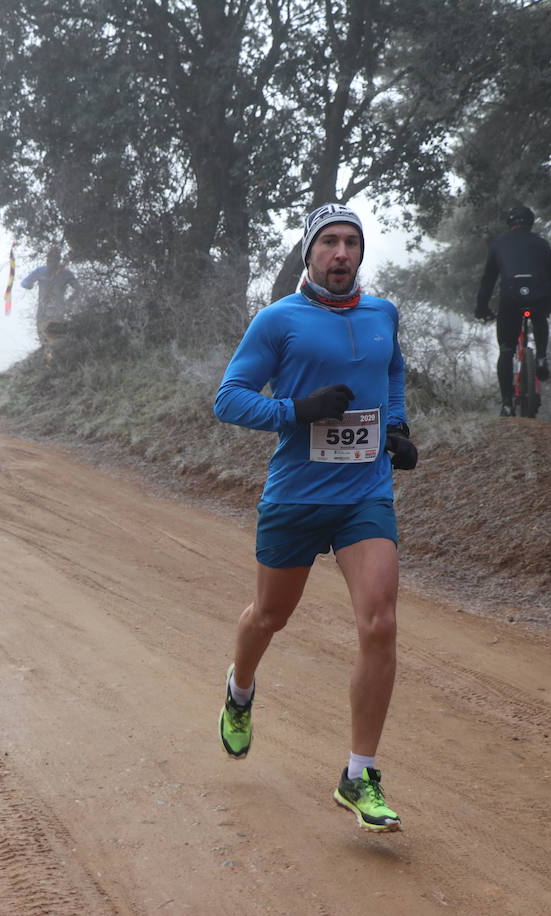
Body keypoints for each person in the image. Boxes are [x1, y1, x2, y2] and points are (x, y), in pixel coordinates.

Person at [213, 202, 418, 834]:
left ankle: (358, 775)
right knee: (270, 616)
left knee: (380, 623)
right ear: (309, 253)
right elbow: (229, 399)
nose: (341, 254)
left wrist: (399, 425)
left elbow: (392, 374)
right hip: (297, 494)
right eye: (329, 242)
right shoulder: (279, 320)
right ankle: (240, 687)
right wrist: (297, 411)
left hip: (364, 494)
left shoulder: (383, 314)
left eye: (351, 244)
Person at [475, 205, 551, 417]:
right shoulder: (542, 244)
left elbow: (488, 280)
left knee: (506, 349)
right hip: (538, 296)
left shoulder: (499, 245)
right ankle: (541, 357)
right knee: (540, 318)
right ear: (531, 223)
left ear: (510, 224)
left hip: (511, 298)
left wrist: (481, 307)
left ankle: (506, 404)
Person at [21, 246, 79, 342]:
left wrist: (70, 301)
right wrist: (30, 284)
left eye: (53, 259)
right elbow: (24, 283)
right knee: (43, 338)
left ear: (58, 260)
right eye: (49, 258)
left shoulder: (65, 273)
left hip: (58, 311)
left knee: (56, 338)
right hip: (42, 310)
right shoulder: (40, 271)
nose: (50, 261)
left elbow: (78, 289)